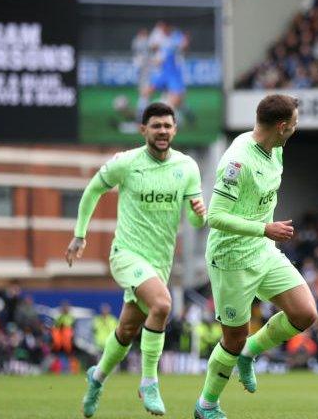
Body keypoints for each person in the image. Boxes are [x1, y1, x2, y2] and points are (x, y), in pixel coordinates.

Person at [65, 101, 205, 417]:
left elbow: (196, 223)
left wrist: (199, 214)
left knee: (127, 330)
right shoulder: (125, 163)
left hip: (159, 263)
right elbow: (92, 191)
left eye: (168, 126)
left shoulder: (187, 167)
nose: (163, 131)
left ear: (175, 129)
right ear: (143, 130)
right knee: (163, 305)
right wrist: (80, 234)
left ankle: (97, 378)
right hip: (126, 255)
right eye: (156, 126)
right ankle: (149, 381)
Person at [194, 94, 318, 419]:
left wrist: (265, 235)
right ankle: (206, 405)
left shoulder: (276, 149)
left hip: (263, 252)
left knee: (304, 313)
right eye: (294, 124)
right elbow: (215, 217)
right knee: (231, 339)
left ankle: (251, 352)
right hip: (231, 258)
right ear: (281, 126)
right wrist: (265, 228)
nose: (296, 128)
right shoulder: (237, 162)